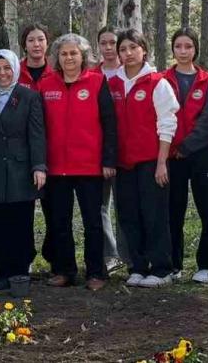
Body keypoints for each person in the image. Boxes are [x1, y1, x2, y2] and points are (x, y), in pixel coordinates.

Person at [38, 33, 118, 291]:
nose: (69, 57)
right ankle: (65, 270)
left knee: (93, 221)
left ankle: (96, 272)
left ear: (83, 56)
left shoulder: (97, 81)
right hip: (56, 167)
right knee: (59, 222)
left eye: (74, 53)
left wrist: (108, 159)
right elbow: (38, 128)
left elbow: (109, 124)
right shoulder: (46, 84)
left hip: (89, 166)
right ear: (57, 58)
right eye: (64, 54)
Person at [108, 29, 179, 288]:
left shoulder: (157, 82)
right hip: (123, 163)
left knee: (154, 214)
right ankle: (138, 266)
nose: (128, 54)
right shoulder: (113, 84)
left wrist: (162, 162)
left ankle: (161, 269)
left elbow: (167, 123)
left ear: (144, 50)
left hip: (151, 161)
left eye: (133, 48)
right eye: (123, 49)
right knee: (129, 215)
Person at [0, 49, 46, 298]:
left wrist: (39, 166)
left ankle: (20, 271)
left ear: (15, 69)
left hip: (20, 169)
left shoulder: (29, 97)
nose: (2, 73)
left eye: (7, 68)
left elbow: (37, 134)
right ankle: (2, 273)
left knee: (21, 221)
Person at [162, 28, 208, 283]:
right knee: (172, 210)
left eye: (188, 46)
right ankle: (173, 264)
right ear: (173, 49)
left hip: (201, 153)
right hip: (171, 156)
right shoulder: (162, 79)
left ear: (195, 49)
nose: (184, 51)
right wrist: (172, 149)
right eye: (179, 46)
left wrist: (186, 147)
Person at [95, 26, 129, 273]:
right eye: (104, 43)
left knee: (125, 204)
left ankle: (129, 256)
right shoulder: (91, 74)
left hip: (127, 148)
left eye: (112, 43)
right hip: (98, 149)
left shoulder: (129, 71)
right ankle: (110, 253)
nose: (108, 48)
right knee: (100, 205)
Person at [17, 23, 50, 88]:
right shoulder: (15, 72)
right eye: (31, 40)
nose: (36, 44)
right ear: (25, 45)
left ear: (47, 44)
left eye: (41, 39)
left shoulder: (56, 73)